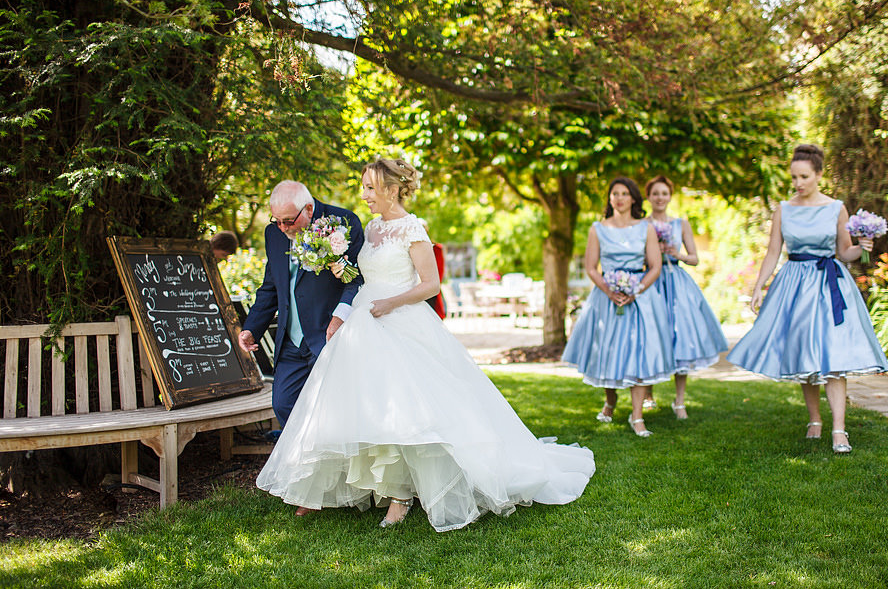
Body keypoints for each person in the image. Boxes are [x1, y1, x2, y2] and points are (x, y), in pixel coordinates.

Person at [256, 159, 595, 531]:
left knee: (408, 407)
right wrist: (343, 272)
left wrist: (390, 302)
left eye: (370, 188)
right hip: (365, 321)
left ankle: (401, 495)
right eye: (364, 187)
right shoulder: (370, 228)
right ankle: (380, 485)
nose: (364, 195)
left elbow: (430, 284)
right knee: (370, 405)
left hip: (399, 319)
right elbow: (363, 275)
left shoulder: (412, 228)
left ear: (390, 189)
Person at [726, 144, 888, 453]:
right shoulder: (784, 209)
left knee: (835, 358)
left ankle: (839, 430)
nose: (798, 183)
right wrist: (759, 286)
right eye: (794, 178)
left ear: (818, 174)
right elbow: (773, 251)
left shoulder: (835, 208)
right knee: (805, 353)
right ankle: (815, 419)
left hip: (830, 286)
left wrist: (864, 247)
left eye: (804, 177)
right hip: (795, 286)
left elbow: (845, 252)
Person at [238, 181, 364, 431]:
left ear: (308, 208)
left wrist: (341, 316)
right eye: (277, 221)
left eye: (288, 221)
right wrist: (252, 327)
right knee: (284, 403)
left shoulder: (343, 222)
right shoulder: (273, 234)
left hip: (328, 333)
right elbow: (271, 286)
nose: (282, 228)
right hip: (290, 341)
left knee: (332, 410)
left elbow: (357, 278)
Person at [561, 177, 673, 437]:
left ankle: (637, 416)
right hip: (606, 299)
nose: (620, 198)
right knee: (607, 351)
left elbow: (655, 266)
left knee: (638, 353)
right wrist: (610, 291)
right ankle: (610, 402)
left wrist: (636, 289)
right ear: (610, 199)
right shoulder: (597, 229)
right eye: (615, 194)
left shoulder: (645, 228)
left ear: (633, 198)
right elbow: (591, 267)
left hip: (639, 298)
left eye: (625, 193)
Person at [641, 175, 728, 419]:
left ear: (670, 196)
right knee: (651, 336)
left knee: (680, 338)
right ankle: (648, 394)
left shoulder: (681, 224)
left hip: (677, 284)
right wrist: (652, 253)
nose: (660, 198)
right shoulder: (641, 224)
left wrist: (675, 253)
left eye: (664, 193)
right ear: (648, 197)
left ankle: (679, 400)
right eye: (655, 193)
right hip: (651, 282)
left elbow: (695, 258)